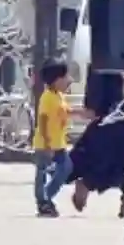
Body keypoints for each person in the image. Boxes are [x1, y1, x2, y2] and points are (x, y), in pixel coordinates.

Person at [32, 61, 92, 217]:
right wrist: (47, 144)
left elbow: (65, 111)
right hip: (46, 145)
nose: (69, 80)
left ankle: (47, 195)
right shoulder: (47, 98)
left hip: (59, 143)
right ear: (56, 80)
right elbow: (43, 122)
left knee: (66, 168)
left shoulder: (59, 96)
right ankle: (43, 201)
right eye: (66, 77)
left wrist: (82, 113)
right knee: (42, 173)